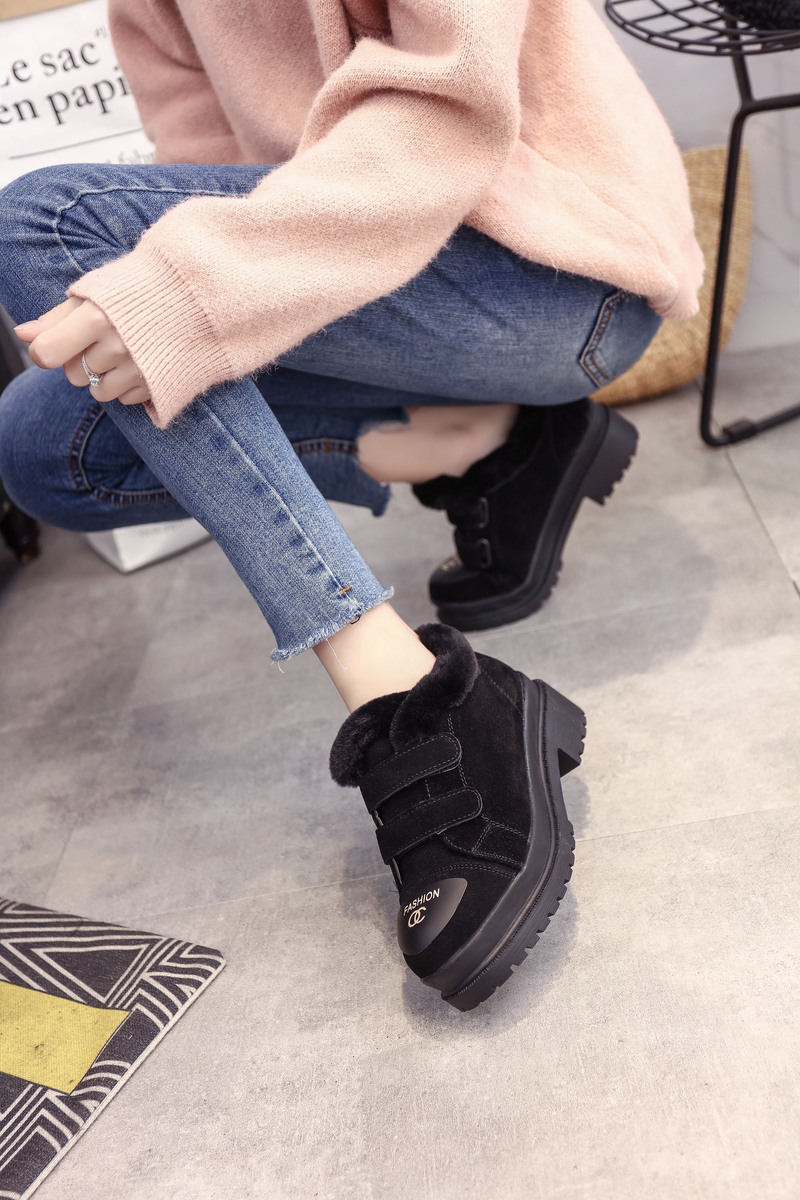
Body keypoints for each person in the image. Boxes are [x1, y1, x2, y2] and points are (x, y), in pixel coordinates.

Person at [0, 0, 702, 1010]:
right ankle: (487, 443)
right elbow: (209, 178)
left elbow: (447, 110)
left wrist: (183, 294)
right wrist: (188, 310)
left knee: (50, 225)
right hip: (381, 277)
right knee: (41, 445)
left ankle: (413, 692)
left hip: (556, 264)